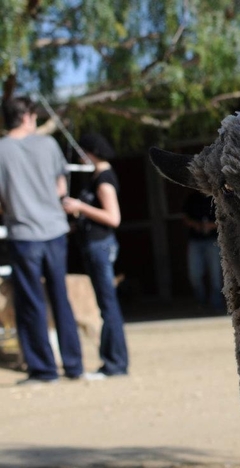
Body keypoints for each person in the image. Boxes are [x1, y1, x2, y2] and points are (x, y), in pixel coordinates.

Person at [0, 96, 83, 384]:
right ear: (26, 116)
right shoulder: (48, 145)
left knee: (31, 302)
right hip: (55, 231)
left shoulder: (1, 150)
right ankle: (74, 365)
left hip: (23, 234)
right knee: (60, 298)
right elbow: (61, 184)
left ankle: (44, 369)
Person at [62, 132, 128, 378]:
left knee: (108, 306)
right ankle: (112, 362)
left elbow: (113, 218)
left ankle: (115, 364)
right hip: (93, 245)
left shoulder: (103, 180)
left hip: (100, 247)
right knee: (106, 305)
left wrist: (80, 207)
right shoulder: (96, 177)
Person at [182, 191, 224, 312]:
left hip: (213, 240)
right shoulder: (192, 197)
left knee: (215, 273)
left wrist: (211, 226)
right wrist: (196, 225)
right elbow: (185, 217)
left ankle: (216, 303)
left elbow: (225, 218)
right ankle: (200, 301)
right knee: (194, 273)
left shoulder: (216, 196)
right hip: (195, 240)